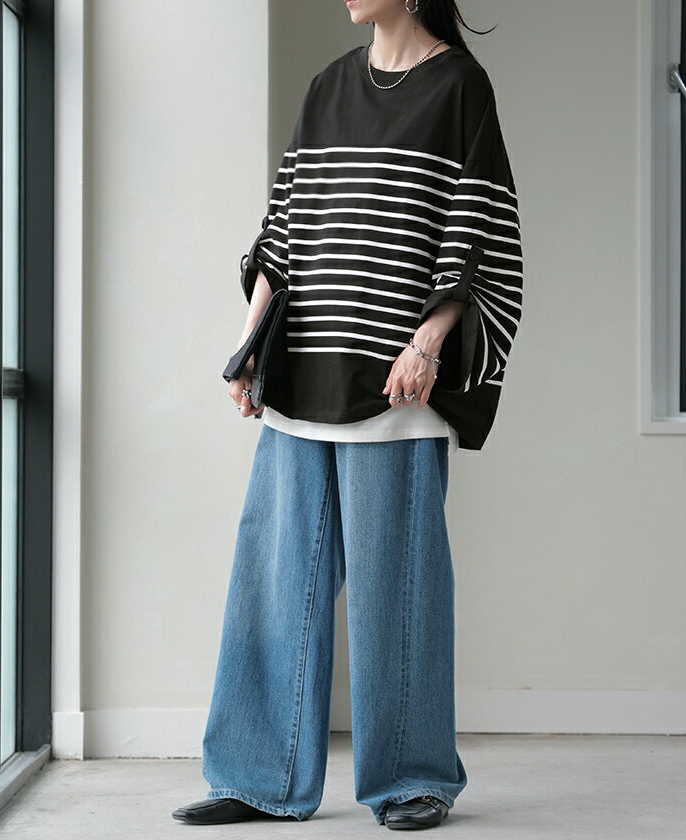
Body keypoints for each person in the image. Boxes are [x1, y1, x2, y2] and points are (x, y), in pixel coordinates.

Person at [173, 0, 523, 830]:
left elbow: (474, 230)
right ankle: (255, 778)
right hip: (305, 376)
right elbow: (283, 228)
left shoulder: (460, 87)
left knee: (396, 591)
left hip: (397, 386)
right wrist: (249, 346)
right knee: (272, 586)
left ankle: (411, 779)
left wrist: (429, 344)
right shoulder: (328, 86)